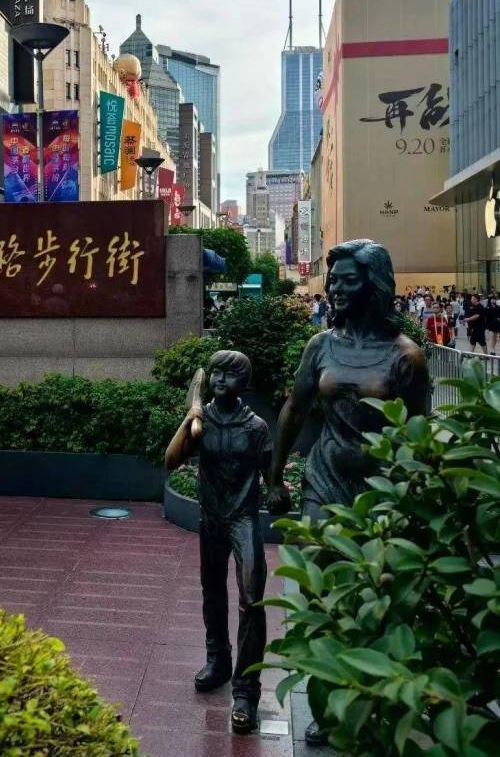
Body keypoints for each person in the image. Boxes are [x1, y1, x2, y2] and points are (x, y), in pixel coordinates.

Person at [266, 239, 429, 748]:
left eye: (348, 281)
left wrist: (418, 496)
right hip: (325, 479)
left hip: (382, 490)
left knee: (376, 596)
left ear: (374, 286)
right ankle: (327, 701)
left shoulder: (407, 356)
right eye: (333, 281)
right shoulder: (321, 346)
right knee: (323, 592)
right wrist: (274, 476)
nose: (336, 289)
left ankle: (376, 695)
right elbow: (294, 409)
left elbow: (419, 435)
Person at [165, 350, 271, 735]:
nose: (221, 380)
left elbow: (271, 474)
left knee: (251, 598)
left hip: (243, 518)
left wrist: (278, 490)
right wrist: (188, 418)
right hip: (211, 517)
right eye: (216, 374)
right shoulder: (202, 421)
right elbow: (170, 460)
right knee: (212, 591)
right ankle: (218, 660)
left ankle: (246, 691)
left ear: (244, 382)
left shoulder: (255, 427)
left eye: (230, 374)